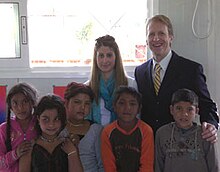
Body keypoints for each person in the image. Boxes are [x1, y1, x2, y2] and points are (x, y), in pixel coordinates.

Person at [134, 14, 219, 141]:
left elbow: (207, 105)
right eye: (151, 34)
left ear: (171, 37)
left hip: (181, 145)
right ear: (146, 40)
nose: (156, 39)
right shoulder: (140, 72)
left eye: (161, 33)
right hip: (149, 144)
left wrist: (211, 124)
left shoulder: (191, 70)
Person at [155, 88, 219, 172]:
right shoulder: (162, 133)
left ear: (196, 111)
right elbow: (158, 166)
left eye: (189, 109)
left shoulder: (205, 134)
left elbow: (214, 167)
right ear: (171, 110)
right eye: (179, 108)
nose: (184, 114)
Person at [19, 94, 83, 172]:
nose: (51, 124)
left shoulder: (68, 145)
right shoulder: (29, 148)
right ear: (38, 119)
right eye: (45, 119)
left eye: (56, 119)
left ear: (62, 120)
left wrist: (72, 152)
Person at [86, 34, 137, 126]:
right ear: (95, 58)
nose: (105, 61)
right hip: (94, 136)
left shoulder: (130, 84)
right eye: (101, 56)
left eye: (109, 55)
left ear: (116, 57)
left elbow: (136, 117)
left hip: (122, 134)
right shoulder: (88, 87)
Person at [101, 86, 154, 172]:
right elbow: (109, 167)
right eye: (122, 103)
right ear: (114, 106)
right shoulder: (107, 132)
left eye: (132, 104)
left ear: (139, 109)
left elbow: (147, 166)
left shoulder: (146, 131)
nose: (127, 108)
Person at [64, 82, 104, 172]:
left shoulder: (96, 130)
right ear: (66, 103)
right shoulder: (57, 128)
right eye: (77, 102)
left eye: (87, 103)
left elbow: (102, 164)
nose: (82, 107)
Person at [0, 82, 38, 172]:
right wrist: (15, 153)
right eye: (15, 103)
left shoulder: (40, 125)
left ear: (32, 103)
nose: (20, 107)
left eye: (25, 101)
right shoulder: (3, 129)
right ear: (10, 107)